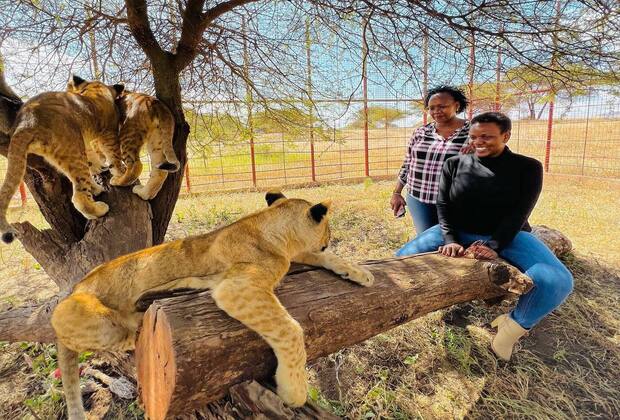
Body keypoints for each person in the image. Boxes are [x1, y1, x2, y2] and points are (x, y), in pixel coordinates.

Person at [395, 112, 573, 361]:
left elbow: (519, 212)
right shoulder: (454, 164)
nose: (479, 141)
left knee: (557, 280)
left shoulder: (528, 167)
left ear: (506, 136)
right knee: (399, 261)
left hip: (509, 235)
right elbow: (442, 206)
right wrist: (450, 240)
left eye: (487, 136)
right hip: (457, 230)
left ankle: (510, 330)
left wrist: (494, 246)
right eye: (475, 136)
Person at [391, 86, 471, 234]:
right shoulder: (421, 132)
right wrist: (397, 192)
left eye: (442, 106)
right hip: (418, 198)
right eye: (432, 108)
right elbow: (408, 163)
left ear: (457, 106)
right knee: (427, 239)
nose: (436, 111)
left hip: (454, 202)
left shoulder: (473, 132)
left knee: (452, 241)